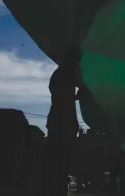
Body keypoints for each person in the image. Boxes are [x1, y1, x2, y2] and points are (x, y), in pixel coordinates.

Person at [42, 46, 82, 196]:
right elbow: (61, 96)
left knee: (60, 163)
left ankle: (55, 187)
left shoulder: (64, 74)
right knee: (58, 162)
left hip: (63, 123)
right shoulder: (63, 75)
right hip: (61, 123)